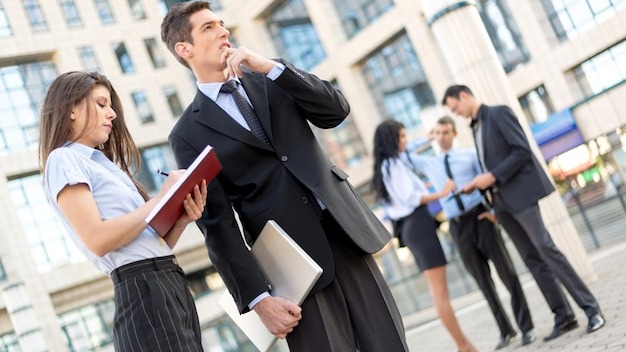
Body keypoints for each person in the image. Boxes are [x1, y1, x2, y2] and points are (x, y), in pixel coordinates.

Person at [160, 2, 409, 351]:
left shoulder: (271, 76)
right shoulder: (187, 133)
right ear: (183, 49)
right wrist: (259, 299)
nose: (223, 31)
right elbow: (218, 225)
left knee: (388, 344)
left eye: (221, 23)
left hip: (344, 232)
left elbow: (335, 111)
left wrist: (272, 68)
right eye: (208, 28)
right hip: (292, 268)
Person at [38, 71, 207, 351]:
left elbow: (147, 244)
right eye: (102, 104)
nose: (113, 113)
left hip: (168, 280)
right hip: (143, 288)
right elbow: (98, 240)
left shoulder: (104, 164)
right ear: (70, 110)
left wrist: (181, 220)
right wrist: (159, 200)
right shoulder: (64, 159)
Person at [442, 84, 606, 341]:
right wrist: (480, 184)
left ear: (464, 96)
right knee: (532, 259)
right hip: (501, 203)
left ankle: (592, 309)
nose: (457, 113)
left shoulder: (498, 113)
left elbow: (521, 151)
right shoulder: (476, 127)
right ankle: (563, 316)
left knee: (546, 249)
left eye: (455, 107)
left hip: (520, 195)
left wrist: (492, 175)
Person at [372, 119, 477, 352]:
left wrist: (428, 138)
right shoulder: (393, 165)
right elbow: (413, 199)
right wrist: (441, 193)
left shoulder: (390, 163)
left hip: (416, 227)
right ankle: (464, 346)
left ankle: (464, 345)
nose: (405, 141)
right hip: (417, 225)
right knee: (440, 292)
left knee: (441, 292)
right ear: (391, 140)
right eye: (401, 137)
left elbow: (410, 147)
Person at [430, 116, 535, 348]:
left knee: (507, 274)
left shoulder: (469, 155)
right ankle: (505, 330)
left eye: (446, 132)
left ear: (454, 134)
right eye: (437, 133)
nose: (441, 137)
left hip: (480, 217)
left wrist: (494, 212)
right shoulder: (431, 163)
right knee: (483, 283)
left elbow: (488, 183)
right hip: (457, 226)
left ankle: (526, 327)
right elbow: (407, 155)